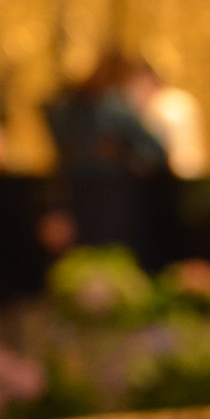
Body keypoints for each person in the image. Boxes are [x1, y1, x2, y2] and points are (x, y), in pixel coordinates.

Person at [42, 52, 168, 268]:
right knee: (114, 262)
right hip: (113, 198)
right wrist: (128, 159)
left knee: (86, 263)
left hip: (80, 197)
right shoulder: (115, 107)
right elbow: (156, 152)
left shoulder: (71, 106)